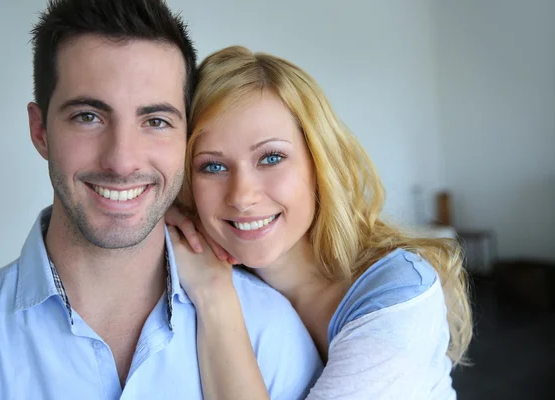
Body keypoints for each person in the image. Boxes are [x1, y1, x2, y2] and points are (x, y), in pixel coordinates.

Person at [0, 2, 322, 399]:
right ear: (40, 130)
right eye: (88, 116)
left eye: (156, 121)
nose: (122, 161)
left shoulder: (271, 334)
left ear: (185, 139)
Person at [166, 45, 473, 399]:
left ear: (318, 163)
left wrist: (214, 296)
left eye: (271, 157)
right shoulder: (195, 260)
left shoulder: (396, 294)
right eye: (213, 166)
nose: (241, 195)